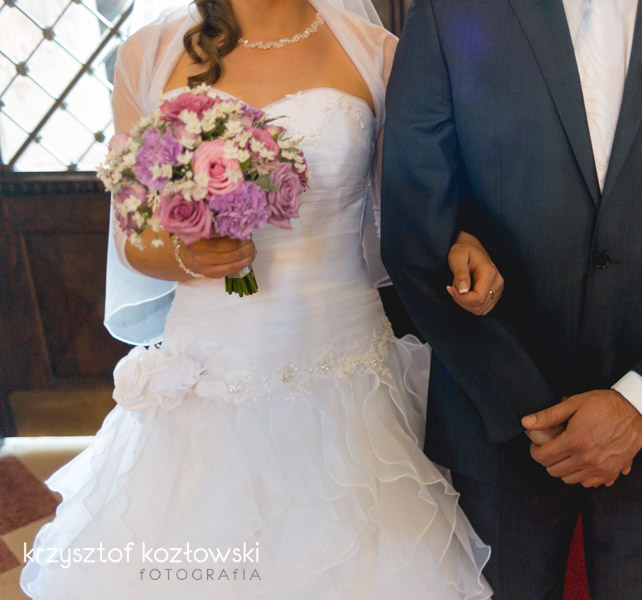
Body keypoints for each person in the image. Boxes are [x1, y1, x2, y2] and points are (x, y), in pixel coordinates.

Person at [20, 1, 496, 598]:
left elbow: (419, 202)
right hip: (209, 373)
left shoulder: (377, 54)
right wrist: (190, 255)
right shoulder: (148, 54)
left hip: (344, 371)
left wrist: (463, 239)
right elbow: (134, 240)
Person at [381, 0, 642, 598]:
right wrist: (531, 413)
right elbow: (416, 228)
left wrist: (641, 404)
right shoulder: (450, 13)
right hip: (498, 421)